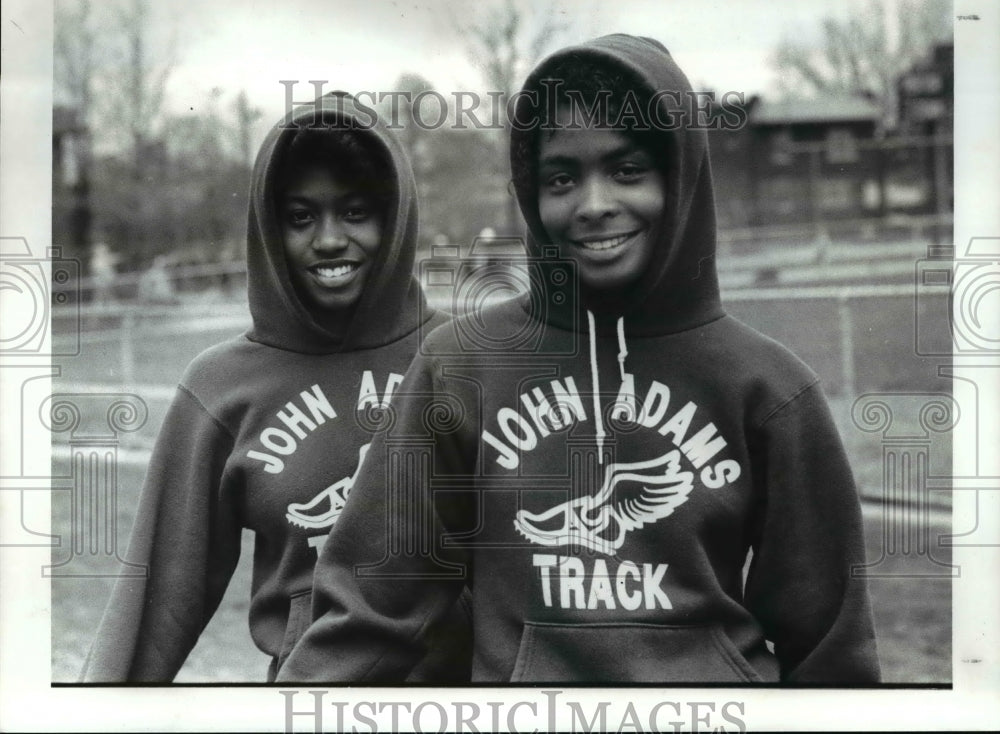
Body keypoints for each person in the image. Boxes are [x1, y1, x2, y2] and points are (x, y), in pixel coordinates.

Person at [278, 36, 880, 684]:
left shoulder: (770, 390)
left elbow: (831, 655)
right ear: (531, 193)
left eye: (627, 170)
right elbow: (369, 607)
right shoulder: (461, 366)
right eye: (562, 177)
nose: (593, 204)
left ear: (678, 177)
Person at [81, 92, 470, 683]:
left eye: (357, 211)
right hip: (310, 699)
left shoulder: (465, 357)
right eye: (300, 217)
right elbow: (156, 597)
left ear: (395, 220)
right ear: (269, 228)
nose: (330, 239)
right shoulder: (221, 386)